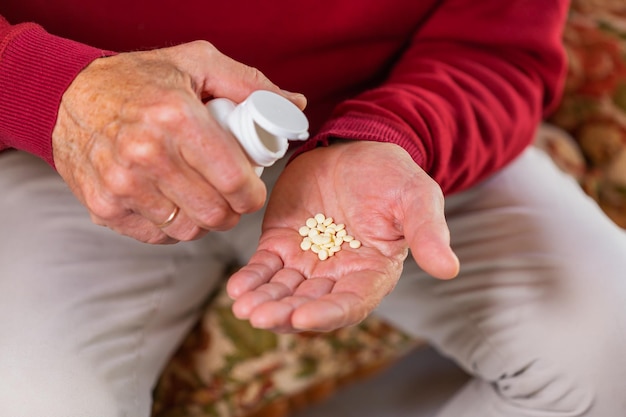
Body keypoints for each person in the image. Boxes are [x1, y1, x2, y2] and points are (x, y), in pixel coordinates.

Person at [1, 1, 625, 416]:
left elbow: (501, 47)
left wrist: (392, 137)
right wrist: (50, 90)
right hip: (65, 140)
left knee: (609, 347)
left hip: (386, 127)